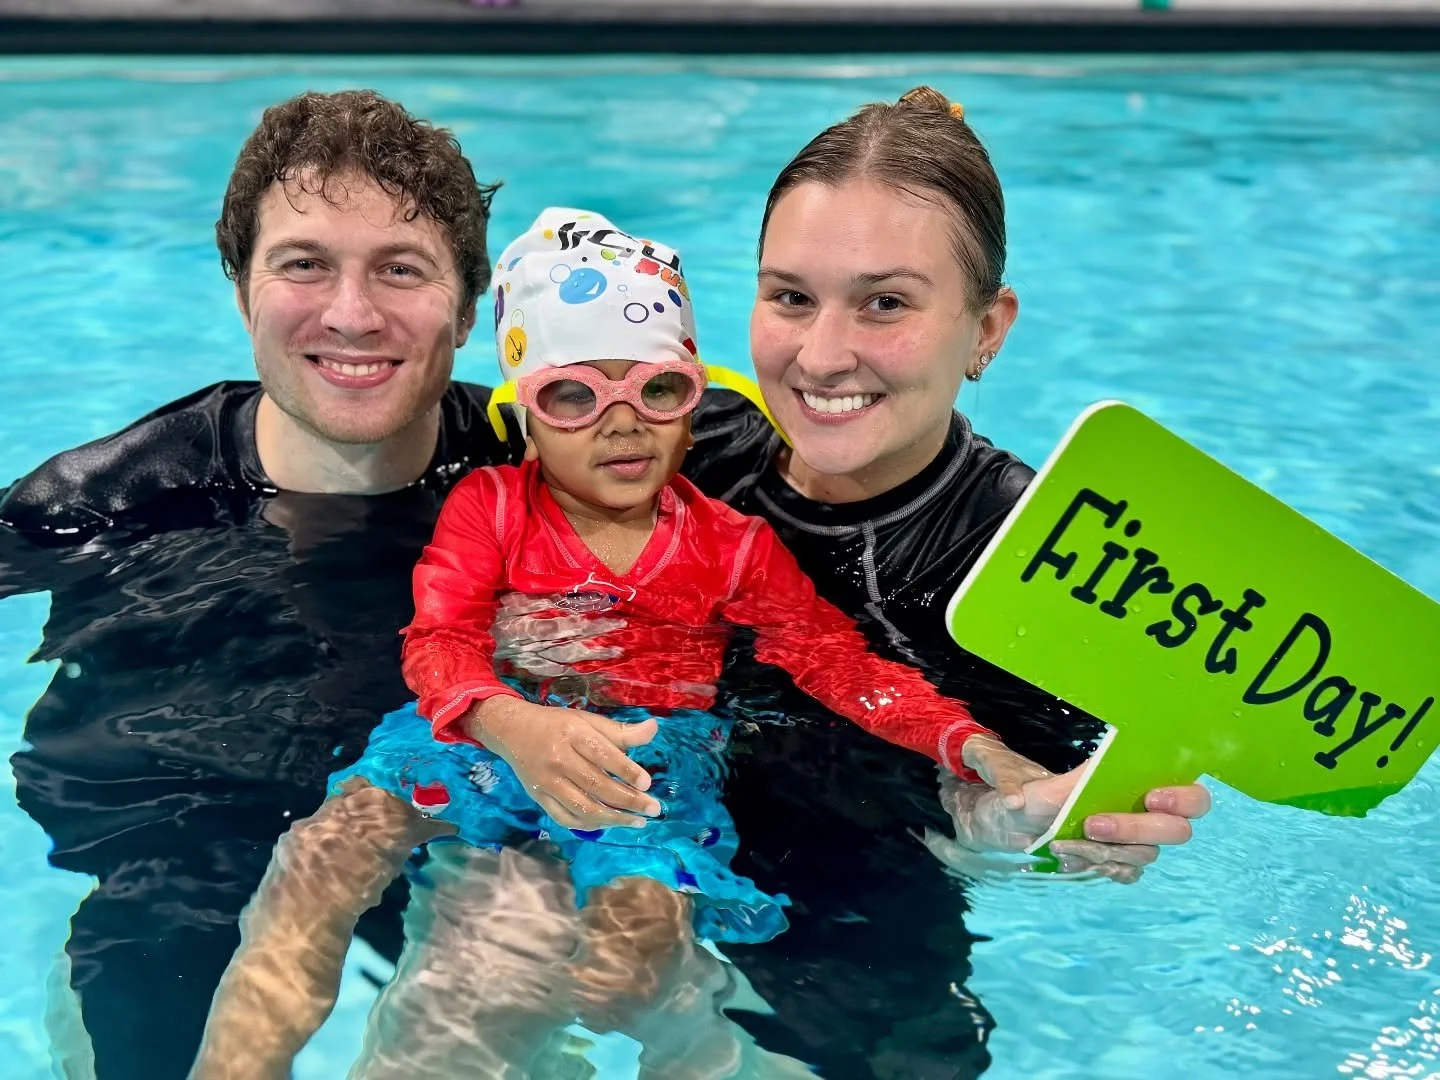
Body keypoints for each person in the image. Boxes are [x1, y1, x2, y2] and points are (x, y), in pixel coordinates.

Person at [0, 85, 1207, 1078]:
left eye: (885, 303)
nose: (825, 354)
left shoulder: (1028, 571)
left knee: (595, 968)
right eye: (791, 298)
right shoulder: (591, 463)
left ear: (987, 328)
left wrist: (1012, 808)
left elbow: (901, 719)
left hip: (810, 908)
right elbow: (447, 628)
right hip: (476, 793)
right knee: (427, 929)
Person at [190, 207, 1045, 1078]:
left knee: (630, 965)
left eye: (658, 389)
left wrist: (971, 745)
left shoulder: (735, 547)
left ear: (694, 402)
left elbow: (840, 664)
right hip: (478, 734)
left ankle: (708, 1053)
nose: (623, 422)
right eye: (574, 395)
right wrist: (510, 724)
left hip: (647, 769)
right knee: (323, 852)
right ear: (524, 414)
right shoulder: (491, 508)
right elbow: (439, 642)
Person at [0, 90, 518, 1078]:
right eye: (304, 264)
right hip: (174, 849)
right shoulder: (108, 501)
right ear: (242, 290)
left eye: (400, 268)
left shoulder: (539, 477)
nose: (352, 314)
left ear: (467, 307)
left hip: (438, 828)